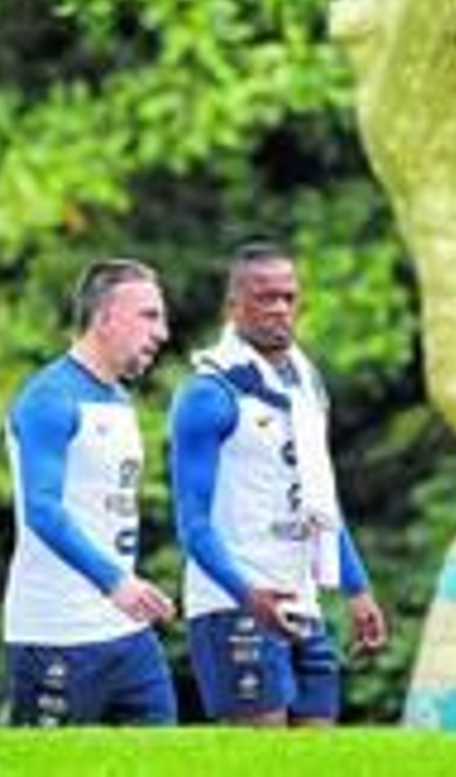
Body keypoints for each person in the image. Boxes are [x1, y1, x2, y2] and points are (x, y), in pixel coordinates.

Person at [170, 243, 388, 726]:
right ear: (234, 306)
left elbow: (321, 500)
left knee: (314, 749)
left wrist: (357, 589)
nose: (279, 309)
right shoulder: (209, 393)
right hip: (234, 604)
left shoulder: (306, 384)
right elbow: (192, 524)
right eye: (264, 297)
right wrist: (248, 597)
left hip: (301, 600)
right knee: (261, 754)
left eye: (288, 297)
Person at [3, 258, 178, 726]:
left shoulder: (118, 399)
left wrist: (128, 589)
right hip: (55, 634)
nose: (162, 333)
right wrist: (116, 581)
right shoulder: (49, 398)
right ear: (103, 318)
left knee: (166, 757)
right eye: (149, 316)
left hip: (126, 634)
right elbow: (43, 509)